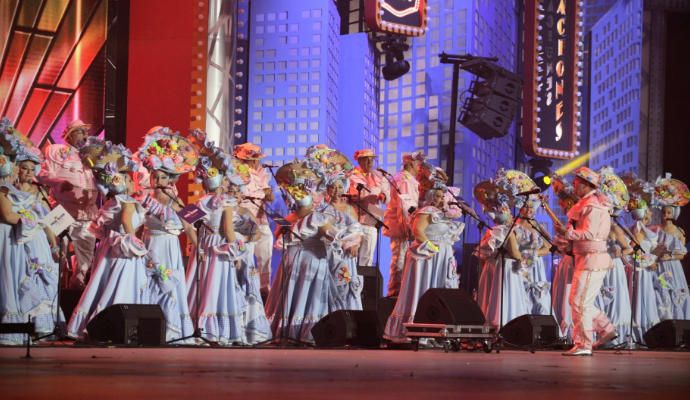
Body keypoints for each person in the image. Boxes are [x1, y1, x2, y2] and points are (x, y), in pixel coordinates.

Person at [67, 142, 150, 339]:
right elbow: (125, 220)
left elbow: (103, 227)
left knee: (102, 285)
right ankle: (115, 327)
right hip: (123, 251)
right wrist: (133, 242)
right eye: (130, 180)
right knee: (119, 286)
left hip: (108, 249)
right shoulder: (127, 201)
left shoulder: (110, 202)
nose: (133, 183)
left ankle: (94, 326)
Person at [137, 129, 198, 343]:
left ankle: (172, 329)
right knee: (151, 282)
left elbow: (190, 227)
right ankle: (147, 328)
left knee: (170, 282)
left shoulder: (176, 201)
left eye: (163, 176)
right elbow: (135, 225)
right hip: (149, 244)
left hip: (170, 246)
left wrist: (199, 248)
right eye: (156, 176)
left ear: (171, 179)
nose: (159, 180)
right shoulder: (144, 200)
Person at [383, 185, 464, 342]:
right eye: (439, 196)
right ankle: (417, 329)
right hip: (427, 256)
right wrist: (432, 248)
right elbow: (418, 231)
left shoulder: (442, 214)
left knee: (442, 289)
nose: (442, 199)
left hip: (442, 257)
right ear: (432, 197)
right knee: (423, 288)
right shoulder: (427, 211)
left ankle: (440, 331)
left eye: (443, 197)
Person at [556, 167, 615, 356]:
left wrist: (569, 233)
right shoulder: (587, 203)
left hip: (593, 259)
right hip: (585, 258)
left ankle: (583, 343)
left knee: (580, 301)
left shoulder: (593, 206)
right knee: (579, 301)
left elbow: (592, 234)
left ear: (585, 185)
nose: (573, 186)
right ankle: (606, 329)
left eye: (576, 183)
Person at [38, 120, 99, 289]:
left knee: (86, 253)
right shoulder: (56, 151)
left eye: (86, 132)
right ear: (70, 134)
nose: (85, 136)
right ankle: (52, 288)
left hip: (86, 212)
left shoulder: (91, 156)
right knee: (56, 250)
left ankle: (77, 284)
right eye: (80, 131)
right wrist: (58, 182)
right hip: (61, 208)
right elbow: (41, 174)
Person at [474, 181, 530, 328]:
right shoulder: (507, 231)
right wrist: (522, 263)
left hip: (494, 267)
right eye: (509, 213)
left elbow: (484, 257)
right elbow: (515, 253)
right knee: (505, 297)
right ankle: (506, 325)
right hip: (507, 269)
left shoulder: (492, 232)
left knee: (491, 296)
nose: (512, 216)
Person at [593, 167, 633, 347]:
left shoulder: (616, 228)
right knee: (598, 299)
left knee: (614, 301)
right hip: (599, 265)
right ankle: (599, 334)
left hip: (613, 268)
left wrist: (619, 252)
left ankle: (617, 336)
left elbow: (629, 249)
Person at [234, 142, 275, 299]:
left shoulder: (262, 174)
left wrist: (269, 193)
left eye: (257, 159)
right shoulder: (238, 174)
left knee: (266, 252)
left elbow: (269, 197)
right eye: (253, 159)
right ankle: (245, 286)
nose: (256, 162)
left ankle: (264, 287)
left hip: (261, 218)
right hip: (245, 220)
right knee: (247, 252)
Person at [383, 151, 423, 297]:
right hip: (402, 228)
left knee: (402, 261)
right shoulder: (404, 180)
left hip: (405, 227)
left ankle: (400, 295)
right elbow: (405, 205)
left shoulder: (407, 179)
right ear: (410, 163)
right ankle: (394, 296)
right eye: (418, 162)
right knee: (399, 261)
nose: (420, 166)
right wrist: (410, 228)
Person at [651, 174, 690, 320]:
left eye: (668, 213)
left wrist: (671, 256)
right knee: (661, 295)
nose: (665, 215)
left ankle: (679, 324)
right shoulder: (656, 229)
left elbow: (683, 254)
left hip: (673, 268)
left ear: (674, 214)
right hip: (660, 268)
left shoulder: (679, 232)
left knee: (676, 295)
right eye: (663, 212)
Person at [347, 149, 390, 268]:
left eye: (372, 159)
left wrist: (384, 196)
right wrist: (362, 196)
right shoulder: (351, 176)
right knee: (352, 257)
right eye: (367, 159)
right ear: (360, 161)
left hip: (372, 220)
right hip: (355, 220)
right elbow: (348, 195)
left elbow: (388, 195)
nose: (370, 162)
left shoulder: (379, 176)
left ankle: (363, 284)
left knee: (367, 258)